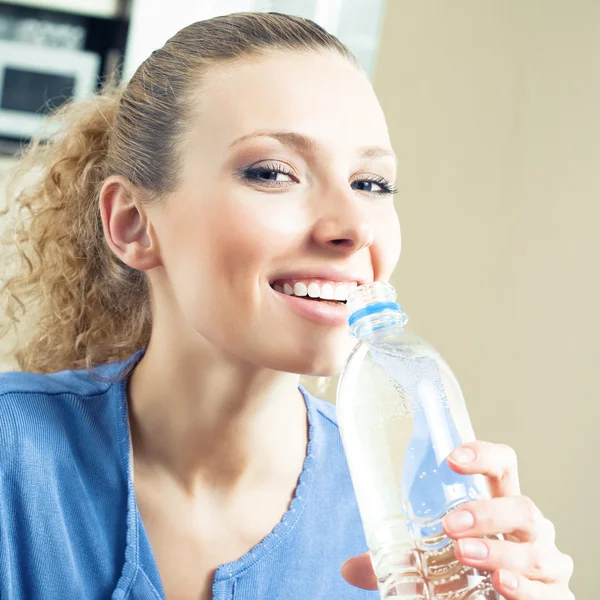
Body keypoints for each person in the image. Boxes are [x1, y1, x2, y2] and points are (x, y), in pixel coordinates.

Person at [0, 12, 573, 600]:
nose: (354, 227)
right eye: (274, 173)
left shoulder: (419, 535)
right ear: (133, 224)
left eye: (371, 184)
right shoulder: (10, 458)